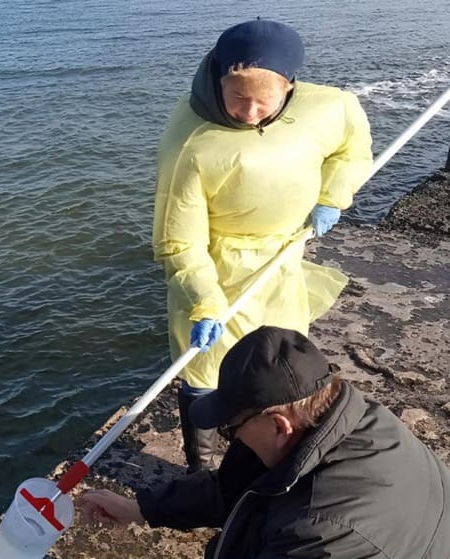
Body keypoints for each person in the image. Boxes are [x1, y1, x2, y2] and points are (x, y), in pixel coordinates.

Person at [152, 19, 374, 472]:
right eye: (237, 98)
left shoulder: (329, 107)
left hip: (283, 259)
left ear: (289, 87)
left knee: (282, 363)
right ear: (218, 80)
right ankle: (203, 466)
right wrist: (205, 301)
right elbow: (178, 236)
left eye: (264, 101)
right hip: (217, 267)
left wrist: (332, 196)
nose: (250, 112)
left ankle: (277, 453)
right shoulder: (192, 144)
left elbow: (351, 149)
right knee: (205, 370)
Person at [78, 326, 450, 559]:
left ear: (278, 425)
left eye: (230, 428)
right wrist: (139, 509)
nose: (230, 438)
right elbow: (236, 489)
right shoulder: (345, 422)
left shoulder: (320, 531)